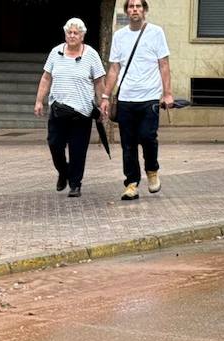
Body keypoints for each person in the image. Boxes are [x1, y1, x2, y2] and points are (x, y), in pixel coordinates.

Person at [100, 0, 171, 201]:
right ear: (127, 11)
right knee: (128, 144)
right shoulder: (119, 36)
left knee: (148, 137)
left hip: (149, 97)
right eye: (131, 6)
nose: (134, 10)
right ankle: (131, 183)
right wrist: (106, 96)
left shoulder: (156, 33)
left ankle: (152, 170)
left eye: (138, 6)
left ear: (145, 10)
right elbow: (114, 68)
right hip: (126, 99)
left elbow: (164, 64)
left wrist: (167, 93)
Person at [33, 18, 105, 198]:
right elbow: (46, 78)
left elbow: (99, 82)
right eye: (69, 32)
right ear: (65, 34)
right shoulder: (55, 52)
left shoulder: (91, 55)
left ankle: (75, 184)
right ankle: (63, 172)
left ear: (82, 36)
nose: (72, 36)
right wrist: (39, 100)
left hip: (82, 112)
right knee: (54, 144)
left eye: (76, 33)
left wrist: (103, 102)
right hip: (58, 110)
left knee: (78, 150)